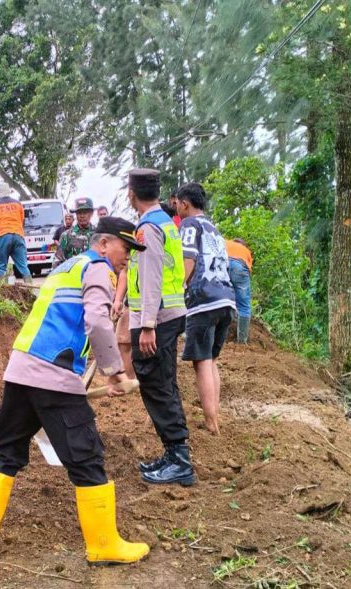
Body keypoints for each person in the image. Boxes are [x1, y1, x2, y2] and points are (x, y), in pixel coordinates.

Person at [0, 217, 150, 566]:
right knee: (86, 457)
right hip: (52, 373)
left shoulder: (67, 267)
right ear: (103, 244)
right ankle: (103, 545)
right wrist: (114, 372)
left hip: (22, 370)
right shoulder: (97, 268)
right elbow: (96, 321)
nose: (127, 257)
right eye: (125, 249)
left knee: (7, 452)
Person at [125, 168, 195, 486]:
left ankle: (179, 459)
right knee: (163, 381)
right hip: (170, 312)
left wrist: (148, 324)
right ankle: (173, 454)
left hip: (158, 318)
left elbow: (151, 275)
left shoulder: (149, 227)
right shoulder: (166, 223)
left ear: (132, 194)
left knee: (155, 381)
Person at [172, 182, 236, 436]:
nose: (175, 208)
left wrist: (178, 292)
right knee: (212, 361)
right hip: (225, 298)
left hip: (204, 298)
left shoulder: (189, 225)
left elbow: (188, 258)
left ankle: (211, 422)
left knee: (202, 362)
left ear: (185, 204)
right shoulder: (213, 228)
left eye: (177, 204)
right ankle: (214, 417)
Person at [0, 183, 32, 284]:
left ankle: (5, 291)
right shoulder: (18, 204)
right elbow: (22, 221)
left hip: (3, 235)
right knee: (23, 265)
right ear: (9, 191)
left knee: (1, 266)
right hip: (18, 235)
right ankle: (30, 289)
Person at [225, 238, 253, 344]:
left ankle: (220, 337)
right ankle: (242, 341)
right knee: (244, 307)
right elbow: (247, 273)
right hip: (240, 267)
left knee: (222, 301)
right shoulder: (246, 251)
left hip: (224, 263)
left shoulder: (226, 243)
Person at [53, 197, 96, 267]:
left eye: (85, 212)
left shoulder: (98, 235)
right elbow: (58, 261)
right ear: (76, 214)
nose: (82, 216)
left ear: (91, 213)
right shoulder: (66, 235)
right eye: (79, 213)